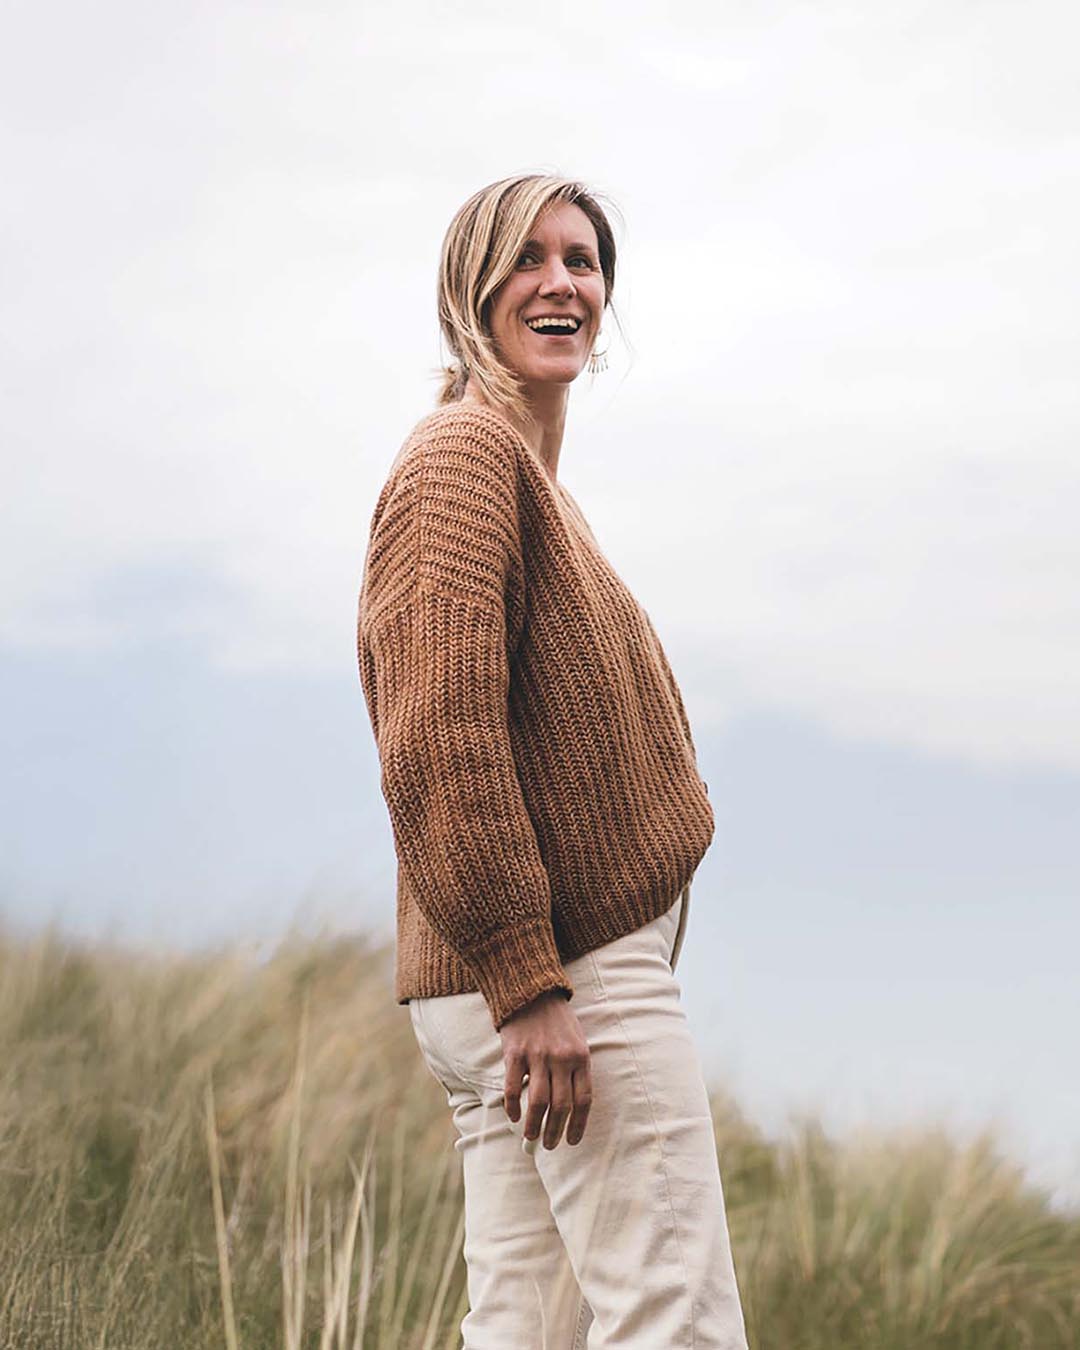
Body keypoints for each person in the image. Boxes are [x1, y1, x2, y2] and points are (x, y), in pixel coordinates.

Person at [356, 173, 748, 1349]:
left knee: (523, 1329)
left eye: (583, 260)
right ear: (466, 292)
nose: (562, 281)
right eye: (526, 258)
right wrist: (530, 985)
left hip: (519, 980)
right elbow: (439, 736)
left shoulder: (529, 482)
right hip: (559, 978)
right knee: (671, 1318)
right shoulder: (463, 461)